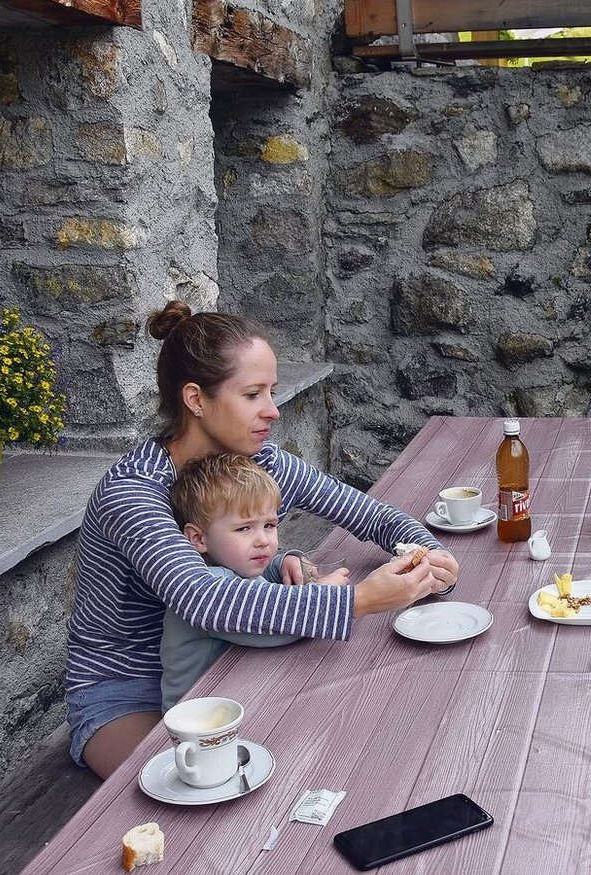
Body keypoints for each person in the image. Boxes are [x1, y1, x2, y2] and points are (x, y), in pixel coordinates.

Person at [66, 301, 458, 777]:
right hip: (128, 693)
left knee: (338, 740)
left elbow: (370, 515)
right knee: (210, 787)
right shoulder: (134, 493)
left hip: (225, 661)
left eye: (271, 391)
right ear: (195, 399)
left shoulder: (260, 464)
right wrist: (357, 601)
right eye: (253, 394)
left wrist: (428, 555)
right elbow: (204, 599)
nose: (272, 410)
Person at [160, 452, 350, 712]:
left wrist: (284, 562)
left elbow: (258, 578)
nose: (263, 540)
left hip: (238, 690)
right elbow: (279, 625)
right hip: (197, 722)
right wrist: (324, 593)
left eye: (269, 525)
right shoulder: (210, 585)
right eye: (244, 528)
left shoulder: (233, 564)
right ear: (198, 539)